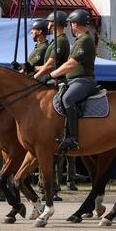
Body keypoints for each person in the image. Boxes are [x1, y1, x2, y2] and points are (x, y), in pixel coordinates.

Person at [36, 9, 97, 150]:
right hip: (73, 81)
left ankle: (73, 138)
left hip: (84, 81)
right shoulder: (79, 40)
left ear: (75, 24)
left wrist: (50, 75)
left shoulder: (85, 40)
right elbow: (66, 64)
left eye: (71, 24)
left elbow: (71, 64)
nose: (70, 27)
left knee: (67, 99)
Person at [34, 10, 70, 79]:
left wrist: (35, 77)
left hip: (56, 79)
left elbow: (50, 65)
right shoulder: (57, 40)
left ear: (54, 24)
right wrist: (32, 68)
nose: (48, 24)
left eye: (49, 22)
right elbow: (46, 65)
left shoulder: (60, 41)